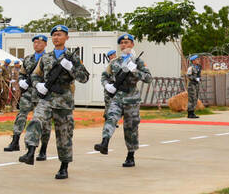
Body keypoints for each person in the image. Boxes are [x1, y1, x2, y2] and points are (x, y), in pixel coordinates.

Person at [19, 24, 89, 178]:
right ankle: (30, 150)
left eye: (60, 34)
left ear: (66, 37)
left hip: (64, 101)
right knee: (36, 120)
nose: (57, 37)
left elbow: (84, 78)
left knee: (64, 134)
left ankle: (64, 167)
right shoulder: (46, 57)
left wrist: (72, 68)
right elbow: (35, 75)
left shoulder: (74, 57)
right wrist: (39, 85)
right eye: (54, 35)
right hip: (46, 98)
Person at [94, 33, 152, 167]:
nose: (124, 45)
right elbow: (104, 76)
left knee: (130, 128)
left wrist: (135, 71)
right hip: (117, 98)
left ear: (132, 44)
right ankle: (104, 143)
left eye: (127, 43)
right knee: (111, 118)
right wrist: (107, 85)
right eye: (122, 43)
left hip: (132, 99)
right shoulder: (114, 62)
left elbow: (148, 78)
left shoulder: (138, 62)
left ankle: (130, 156)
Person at [5, 34, 48, 151]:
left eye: (39, 42)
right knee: (21, 116)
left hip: (41, 94)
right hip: (28, 93)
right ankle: (15, 141)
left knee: (41, 121)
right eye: (35, 42)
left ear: (45, 44)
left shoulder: (49, 58)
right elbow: (22, 73)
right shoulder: (28, 59)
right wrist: (21, 81)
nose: (36, 44)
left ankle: (42, 148)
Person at [185, 53, 203, 118]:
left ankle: (193, 112)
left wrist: (199, 78)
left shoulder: (198, 67)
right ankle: (190, 113)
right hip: (192, 84)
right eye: (197, 59)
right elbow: (188, 75)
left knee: (195, 98)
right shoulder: (191, 68)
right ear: (193, 61)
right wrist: (195, 78)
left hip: (196, 84)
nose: (198, 60)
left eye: (198, 59)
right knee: (192, 98)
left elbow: (199, 75)